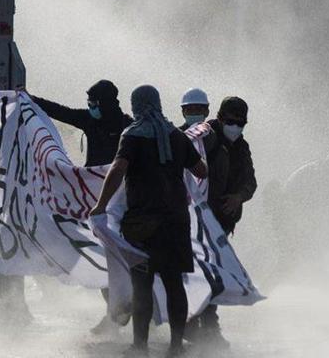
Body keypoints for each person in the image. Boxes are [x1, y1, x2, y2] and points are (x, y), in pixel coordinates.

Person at [90, 85, 208, 358]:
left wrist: (101, 205)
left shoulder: (131, 136)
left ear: (136, 105)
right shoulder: (177, 137)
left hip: (142, 223)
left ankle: (140, 346)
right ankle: (176, 346)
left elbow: (119, 169)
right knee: (173, 282)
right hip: (176, 222)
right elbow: (200, 170)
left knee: (141, 285)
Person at [32, 80, 133, 334]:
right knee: (101, 257)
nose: (90, 107)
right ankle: (115, 313)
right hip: (93, 201)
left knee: (123, 257)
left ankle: (129, 312)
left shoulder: (127, 127)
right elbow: (58, 111)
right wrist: (27, 98)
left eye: (94, 102)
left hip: (122, 202)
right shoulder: (90, 120)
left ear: (107, 101)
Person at [187, 96, 257, 346]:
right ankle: (194, 324)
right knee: (198, 272)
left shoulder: (242, 147)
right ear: (219, 117)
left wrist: (238, 197)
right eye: (230, 121)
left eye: (241, 123)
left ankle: (205, 325)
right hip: (195, 219)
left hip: (221, 223)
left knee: (211, 273)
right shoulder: (205, 137)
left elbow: (251, 182)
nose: (235, 127)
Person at [31, 79, 133, 167]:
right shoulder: (88, 119)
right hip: (92, 179)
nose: (90, 108)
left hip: (117, 181)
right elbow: (61, 112)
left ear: (105, 103)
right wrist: (33, 100)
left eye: (93, 104)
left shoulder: (127, 125)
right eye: (88, 103)